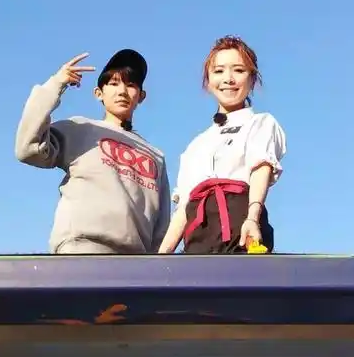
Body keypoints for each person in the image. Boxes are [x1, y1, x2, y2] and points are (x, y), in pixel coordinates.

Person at [15, 49, 171, 254]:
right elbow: (28, 148)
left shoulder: (155, 155)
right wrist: (56, 84)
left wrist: (155, 266)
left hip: (135, 263)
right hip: (82, 249)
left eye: (131, 85)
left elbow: (161, 227)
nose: (122, 91)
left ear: (141, 96)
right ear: (99, 93)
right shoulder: (80, 128)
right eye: (113, 84)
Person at [158, 36, 287, 254]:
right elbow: (183, 208)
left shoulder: (260, 123)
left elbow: (261, 168)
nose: (228, 79)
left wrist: (252, 218)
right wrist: (161, 257)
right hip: (198, 241)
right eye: (219, 71)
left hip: (242, 234)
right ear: (208, 82)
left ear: (252, 79)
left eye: (238, 70)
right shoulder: (196, 144)